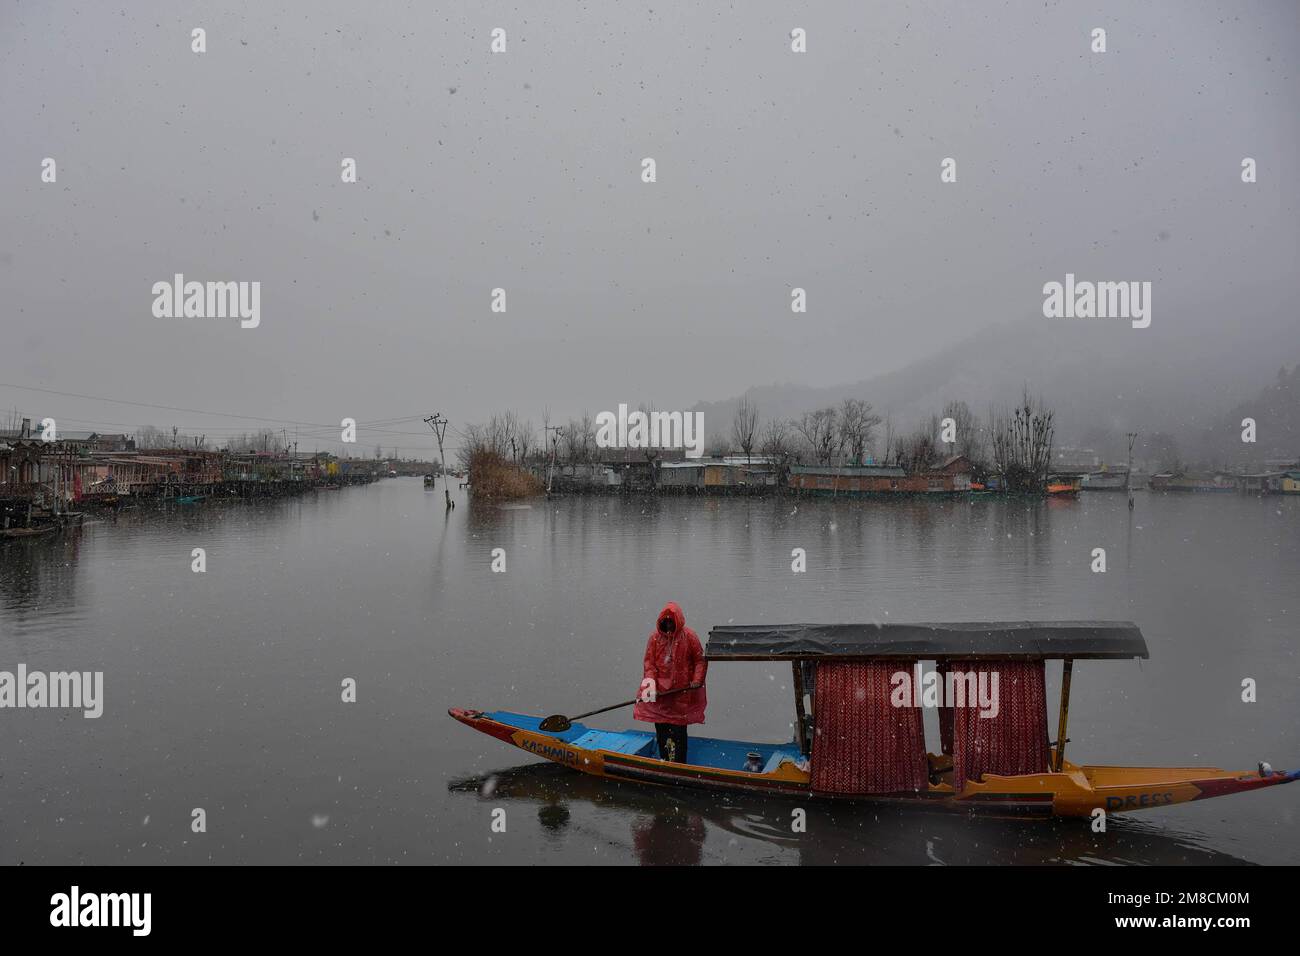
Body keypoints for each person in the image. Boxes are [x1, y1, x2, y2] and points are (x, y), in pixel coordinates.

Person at [633, 602, 707, 763]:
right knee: (661, 730)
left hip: (681, 694)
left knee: (679, 731)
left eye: (671, 622)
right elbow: (649, 664)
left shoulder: (689, 637)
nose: (668, 626)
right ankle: (665, 760)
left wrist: (696, 680)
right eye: (665, 622)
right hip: (661, 694)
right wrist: (651, 686)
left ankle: (679, 764)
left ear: (677, 621)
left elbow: (700, 660)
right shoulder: (654, 638)